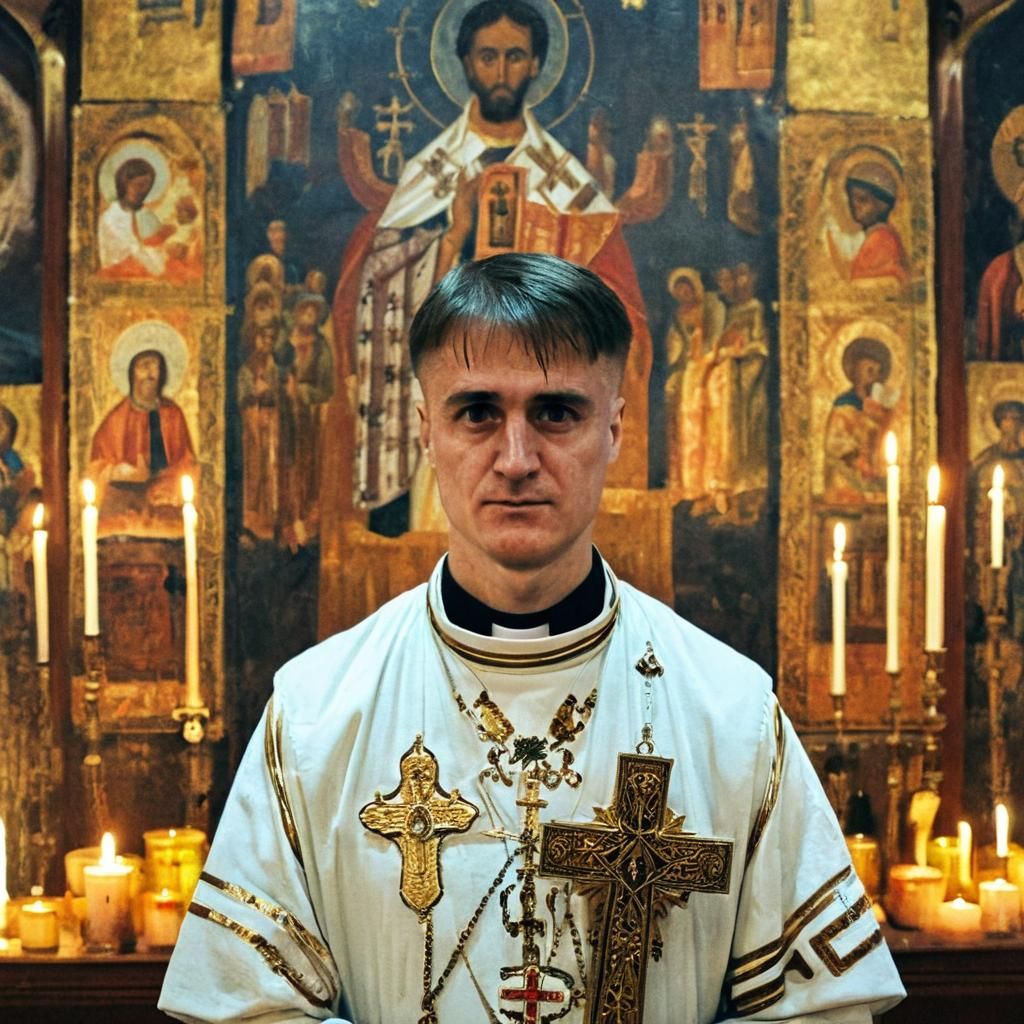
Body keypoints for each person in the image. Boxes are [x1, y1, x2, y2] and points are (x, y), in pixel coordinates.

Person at [160, 254, 903, 1024]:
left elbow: (822, 1011)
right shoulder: (317, 712)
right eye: (477, 412)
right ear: (425, 430)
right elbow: (241, 1007)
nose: (516, 459)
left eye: (556, 413)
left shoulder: (729, 710)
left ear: (614, 427)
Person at [331, 0, 652, 535]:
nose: (501, 72)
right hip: (462, 407)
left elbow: (622, 313)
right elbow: (372, 286)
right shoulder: (428, 175)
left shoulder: (567, 184)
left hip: (547, 412)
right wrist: (453, 235)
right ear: (463, 63)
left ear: (536, 65)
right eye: (487, 57)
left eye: (514, 57)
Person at [89, 347, 197, 523]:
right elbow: (96, 468)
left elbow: (187, 461)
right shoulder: (116, 420)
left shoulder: (173, 415)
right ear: (132, 372)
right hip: (126, 500)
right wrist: (119, 472)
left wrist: (171, 487)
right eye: (144, 366)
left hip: (167, 499)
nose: (150, 374)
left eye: (156, 367)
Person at [97, 157, 200, 284]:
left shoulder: (149, 216)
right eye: (139, 185)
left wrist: (169, 244)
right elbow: (132, 252)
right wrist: (164, 247)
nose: (143, 191)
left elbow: (159, 246)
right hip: (120, 277)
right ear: (124, 183)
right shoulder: (109, 219)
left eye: (148, 186)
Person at [824, 337, 897, 504]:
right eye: (869, 370)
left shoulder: (881, 407)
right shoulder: (844, 404)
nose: (873, 377)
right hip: (847, 476)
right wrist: (857, 458)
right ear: (854, 370)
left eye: (878, 372)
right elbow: (835, 445)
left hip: (873, 473)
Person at [825, 161, 909, 286]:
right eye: (851, 199)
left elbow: (891, 279)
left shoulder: (882, 239)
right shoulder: (874, 236)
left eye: (862, 200)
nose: (854, 205)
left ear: (883, 206)